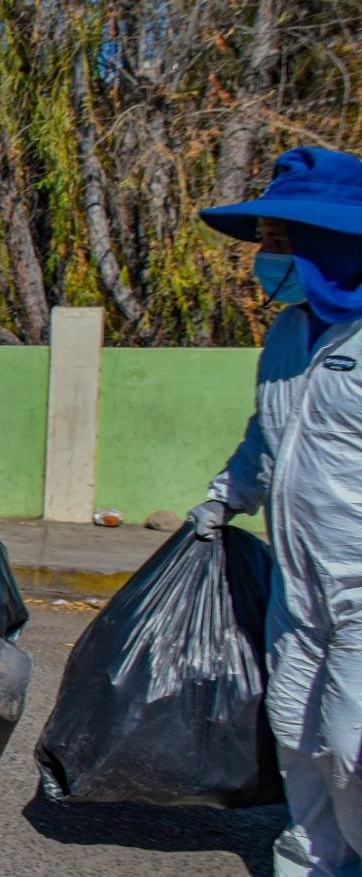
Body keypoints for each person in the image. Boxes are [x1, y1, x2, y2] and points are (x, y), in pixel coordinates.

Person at [191, 147, 362, 877]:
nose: (265, 258)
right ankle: (314, 863)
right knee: (296, 729)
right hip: (301, 586)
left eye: (282, 242)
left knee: (353, 745)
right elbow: (270, 438)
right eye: (264, 240)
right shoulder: (289, 335)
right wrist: (226, 495)